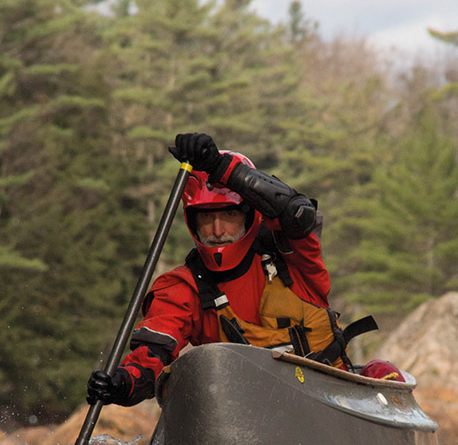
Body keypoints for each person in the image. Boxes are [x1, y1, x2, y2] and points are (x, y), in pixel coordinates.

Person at [86, 132, 377, 407]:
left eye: (229, 215)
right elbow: (152, 353)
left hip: (329, 401)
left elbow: (298, 212)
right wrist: (123, 383)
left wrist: (220, 167)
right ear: (192, 221)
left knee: (383, 371)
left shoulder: (294, 256)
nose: (217, 230)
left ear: (250, 215)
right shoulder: (180, 287)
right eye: (207, 217)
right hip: (244, 414)